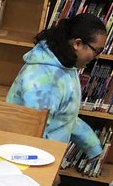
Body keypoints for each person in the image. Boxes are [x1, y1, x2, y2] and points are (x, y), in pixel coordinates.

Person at [7, 12, 107, 159]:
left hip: (41, 155)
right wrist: (45, 166)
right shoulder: (46, 80)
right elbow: (34, 132)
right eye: (97, 51)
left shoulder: (65, 66)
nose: (97, 57)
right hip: (27, 157)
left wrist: (92, 146)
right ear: (77, 44)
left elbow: (65, 116)